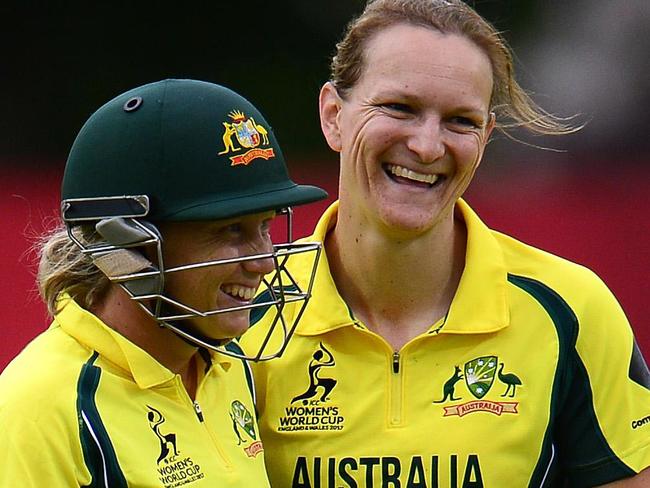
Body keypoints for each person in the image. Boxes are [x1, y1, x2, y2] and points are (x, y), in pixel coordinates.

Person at [240, 1, 650, 486]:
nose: (428, 146)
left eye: (460, 121)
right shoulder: (244, 306)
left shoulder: (570, 308)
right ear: (334, 116)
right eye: (399, 108)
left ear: (486, 138)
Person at [0, 79, 327, 486]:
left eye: (265, 226)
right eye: (230, 231)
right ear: (125, 245)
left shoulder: (227, 367)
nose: (262, 262)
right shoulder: (41, 408)